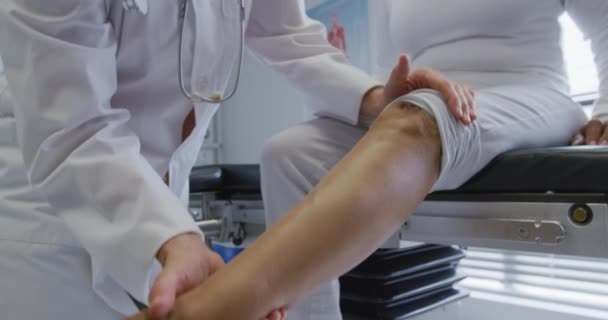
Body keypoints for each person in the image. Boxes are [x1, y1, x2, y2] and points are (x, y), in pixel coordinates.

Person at [127, 0, 607, 319]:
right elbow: (388, 66)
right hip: (430, 96)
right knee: (288, 152)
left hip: (528, 91)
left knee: (420, 116)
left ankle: (225, 305)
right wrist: (382, 100)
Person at [0, 1, 471, 319]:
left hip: (163, 228)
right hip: (50, 222)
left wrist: (373, 98)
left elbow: (286, 32)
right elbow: (71, 128)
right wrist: (175, 241)